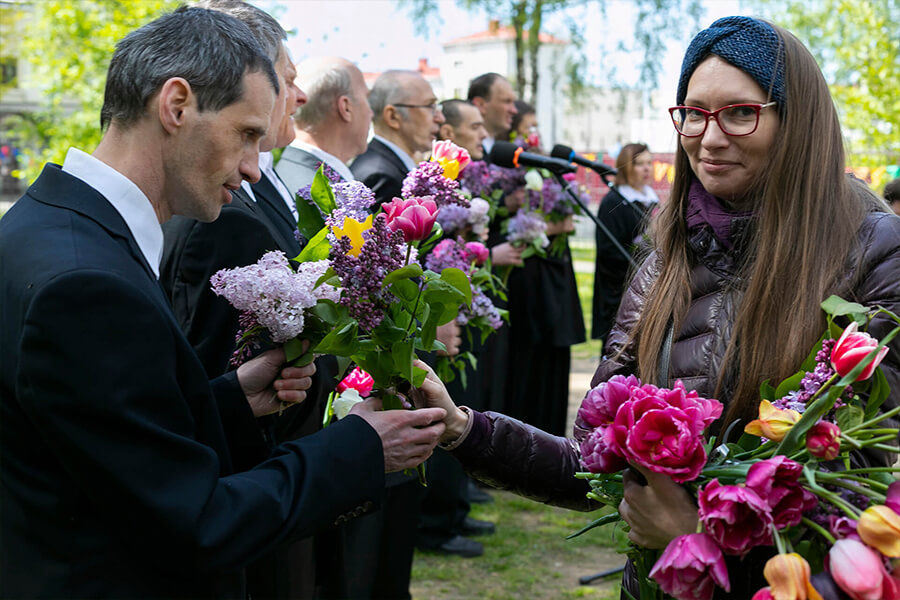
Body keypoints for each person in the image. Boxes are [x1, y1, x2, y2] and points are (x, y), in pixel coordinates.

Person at [415, 16, 900, 600]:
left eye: (740, 112)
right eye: (694, 112)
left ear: (798, 124)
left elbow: (864, 492)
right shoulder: (664, 256)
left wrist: (701, 537)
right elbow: (598, 462)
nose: (709, 138)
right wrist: (464, 429)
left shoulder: (873, 251)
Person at [0, 8, 447, 598]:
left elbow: (98, 434)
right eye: (246, 134)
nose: (253, 168)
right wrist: (361, 447)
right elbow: (195, 522)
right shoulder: (87, 285)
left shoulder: (44, 223)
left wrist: (229, 401)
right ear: (177, 105)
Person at [590, 142, 658, 345]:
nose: (646, 168)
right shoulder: (615, 201)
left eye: (649, 162)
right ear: (625, 166)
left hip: (650, 288)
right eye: (639, 164)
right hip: (620, 292)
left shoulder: (651, 200)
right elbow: (609, 251)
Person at [275, 56, 372, 197]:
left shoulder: (294, 171)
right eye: (367, 98)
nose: (371, 112)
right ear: (346, 108)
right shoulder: (316, 193)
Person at [350, 69, 444, 207]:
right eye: (430, 106)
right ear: (393, 116)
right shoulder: (380, 177)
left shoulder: (390, 167)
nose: (440, 118)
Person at [467, 72, 518, 155]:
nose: (514, 110)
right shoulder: (466, 155)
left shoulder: (500, 152)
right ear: (480, 104)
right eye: (507, 101)